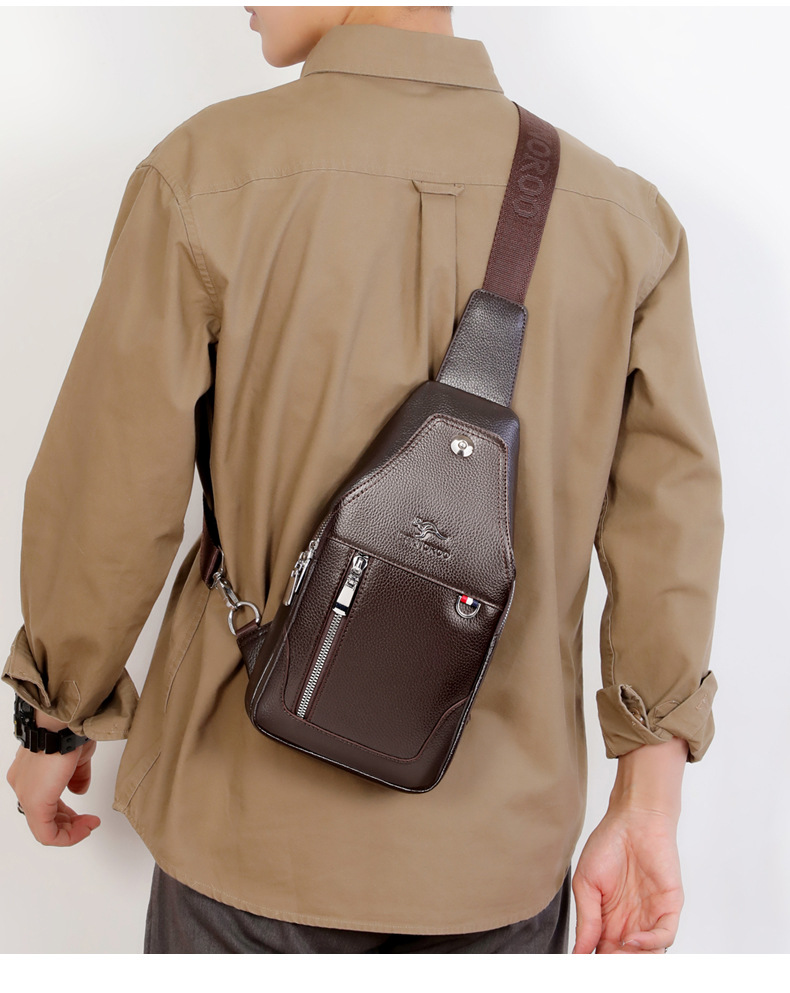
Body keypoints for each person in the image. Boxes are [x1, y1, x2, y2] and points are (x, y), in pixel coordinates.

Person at [4, 6, 723, 954]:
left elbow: (110, 493)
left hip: (247, 831)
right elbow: (669, 526)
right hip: (498, 857)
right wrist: (647, 801)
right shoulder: (626, 221)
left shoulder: (207, 174)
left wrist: (55, 718)